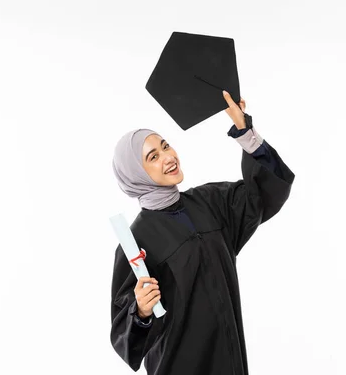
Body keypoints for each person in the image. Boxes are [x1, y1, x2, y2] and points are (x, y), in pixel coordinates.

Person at [110, 91, 295, 375]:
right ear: (136, 174)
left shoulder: (210, 202)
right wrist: (142, 312)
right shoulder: (136, 242)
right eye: (153, 157)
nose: (168, 157)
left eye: (166, 146)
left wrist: (245, 131)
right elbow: (126, 338)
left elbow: (263, 195)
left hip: (230, 362)